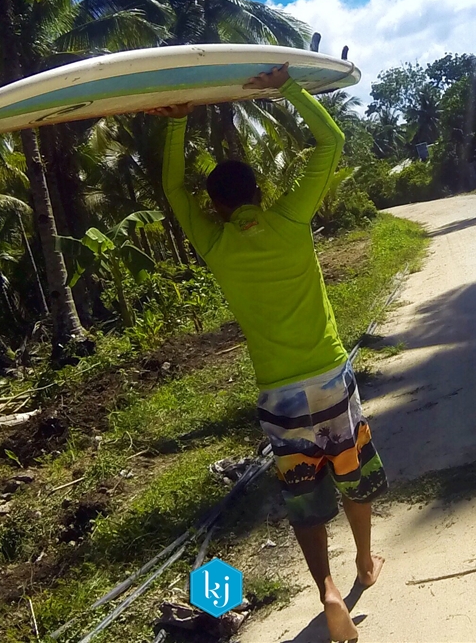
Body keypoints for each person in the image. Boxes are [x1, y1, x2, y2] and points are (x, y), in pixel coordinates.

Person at [149, 62, 386, 643]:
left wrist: (176, 123)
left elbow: (172, 191)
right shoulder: (290, 219)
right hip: (330, 375)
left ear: (218, 206)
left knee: (303, 492)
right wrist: (287, 87)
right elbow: (330, 141)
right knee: (352, 470)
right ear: (258, 192)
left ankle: (327, 589)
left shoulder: (215, 243)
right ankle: (364, 564)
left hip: (278, 393)